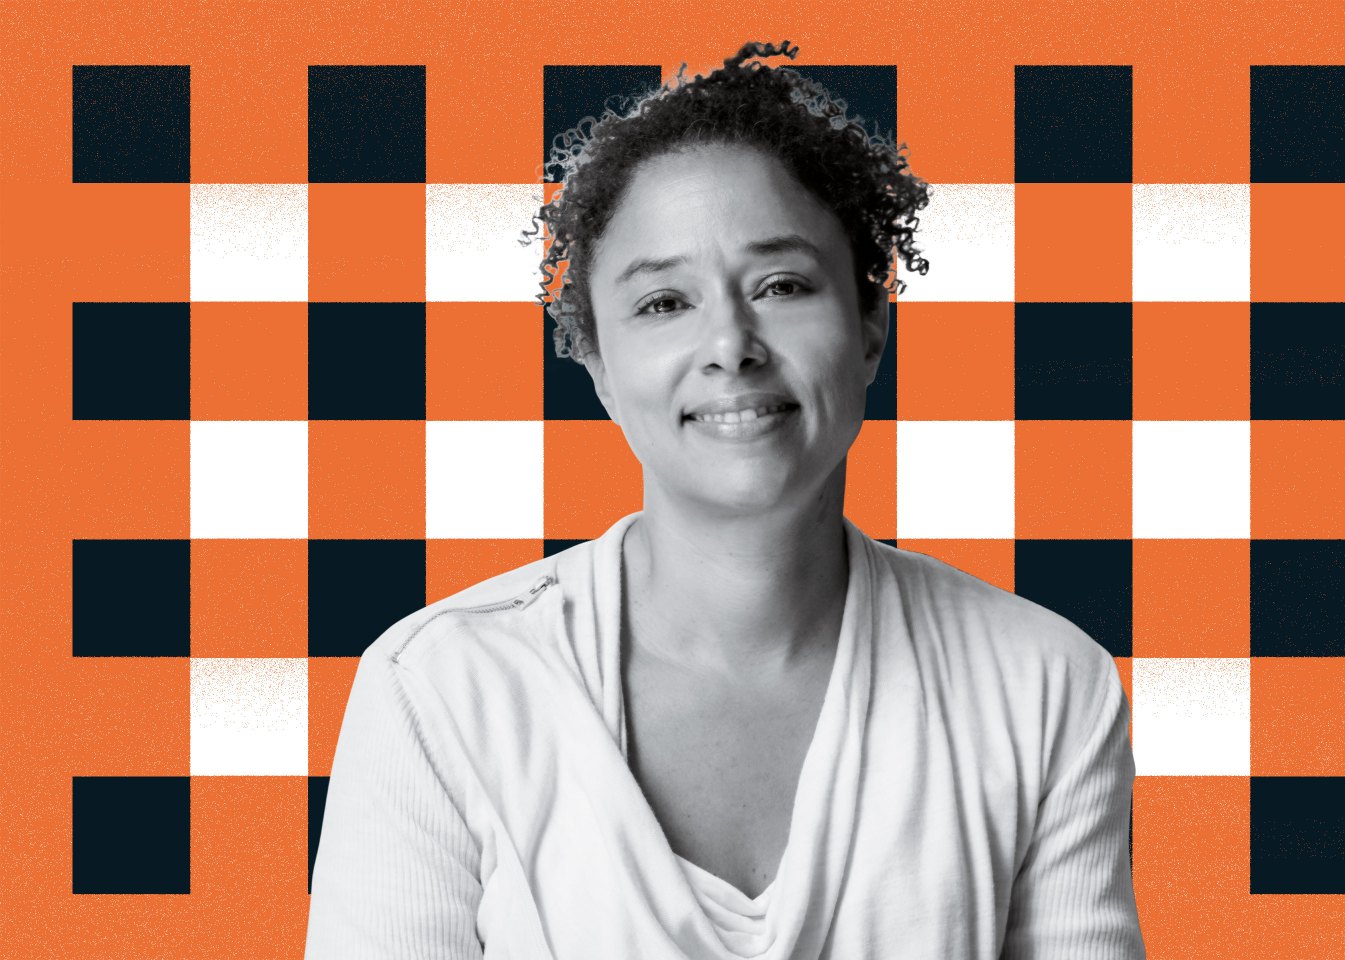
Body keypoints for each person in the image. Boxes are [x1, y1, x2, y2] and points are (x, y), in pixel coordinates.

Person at [305, 40, 1145, 960]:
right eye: (664, 302)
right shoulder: (439, 689)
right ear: (599, 365)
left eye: (782, 286)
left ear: (870, 326)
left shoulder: (1044, 684)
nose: (731, 345)